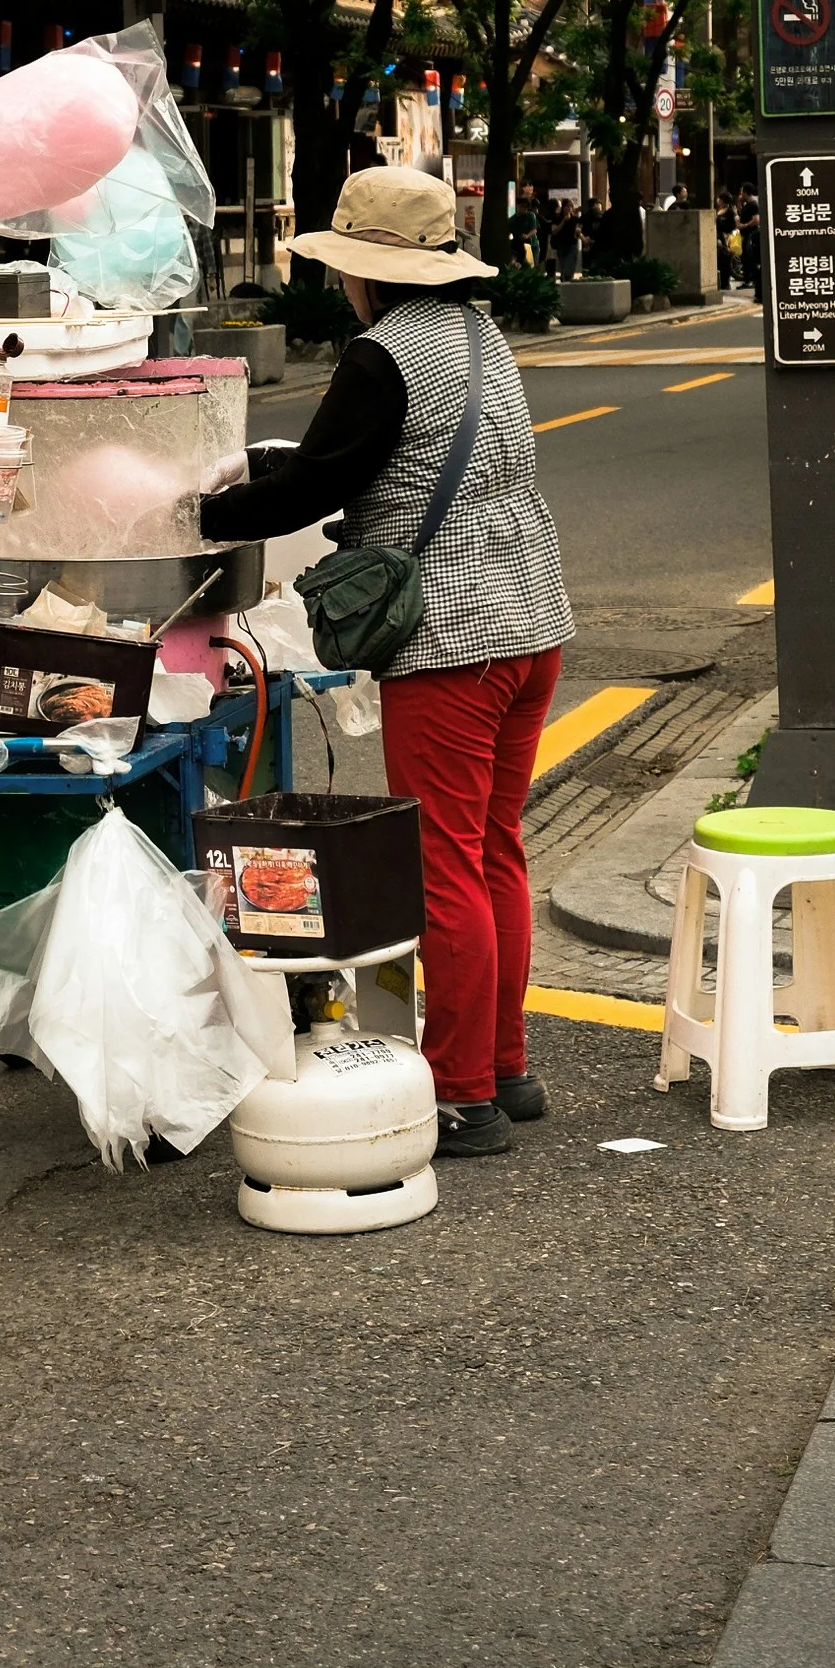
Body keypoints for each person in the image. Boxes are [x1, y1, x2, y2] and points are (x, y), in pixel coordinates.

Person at [200, 164, 574, 1159]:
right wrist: (277, 472)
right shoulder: (480, 336)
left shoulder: (381, 356)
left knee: (445, 863)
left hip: (452, 642)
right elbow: (372, 461)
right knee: (496, 851)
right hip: (535, 623)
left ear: (365, 272)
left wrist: (202, 511)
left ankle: (460, 1097)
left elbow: (315, 488)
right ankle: (504, 1068)